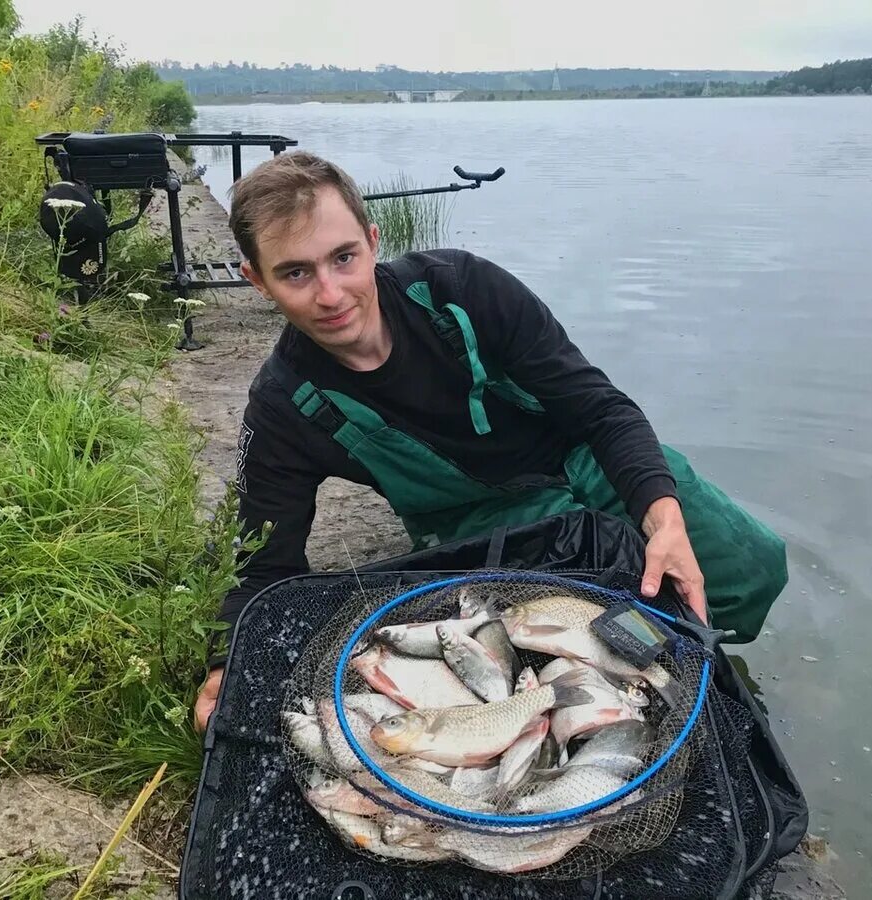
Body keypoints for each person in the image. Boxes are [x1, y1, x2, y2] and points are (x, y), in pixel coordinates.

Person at [193, 151, 787, 730]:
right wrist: (227, 663)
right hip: (475, 519)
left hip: (584, 458)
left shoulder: (462, 289)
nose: (330, 293)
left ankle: (694, 650)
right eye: (296, 272)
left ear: (373, 242)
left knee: (752, 567)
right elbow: (262, 562)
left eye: (343, 258)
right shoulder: (284, 405)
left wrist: (661, 514)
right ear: (256, 281)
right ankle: (658, 687)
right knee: (571, 635)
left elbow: (602, 410)